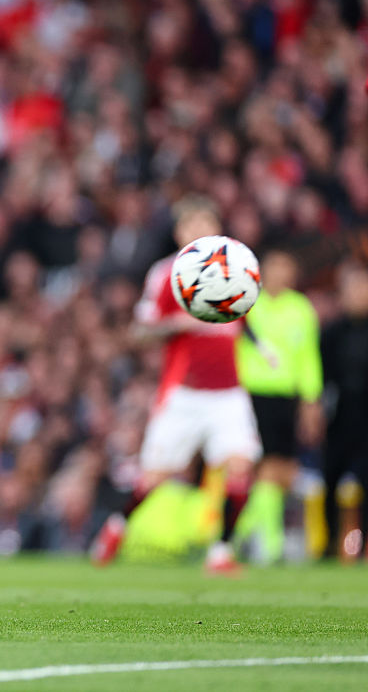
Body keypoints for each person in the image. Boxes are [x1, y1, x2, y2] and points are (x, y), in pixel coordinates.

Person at [90, 195, 262, 572]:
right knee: (154, 477)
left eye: (206, 222)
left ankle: (221, 553)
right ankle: (116, 529)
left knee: (240, 465)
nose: (199, 229)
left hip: (228, 391)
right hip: (184, 391)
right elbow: (140, 331)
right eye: (191, 224)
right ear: (179, 232)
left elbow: (245, 322)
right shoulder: (167, 274)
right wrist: (177, 324)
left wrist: (261, 347)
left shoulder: (236, 268)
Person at [234, 248, 323, 564]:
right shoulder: (245, 304)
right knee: (261, 466)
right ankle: (267, 543)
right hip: (250, 394)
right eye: (275, 266)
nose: (280, 273)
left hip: (285, 397)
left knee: (284, 469)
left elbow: (308, 358)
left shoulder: (301, 309)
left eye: (287, 267)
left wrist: (311, 399)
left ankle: (241, 533)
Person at [320, 260, 368, 558]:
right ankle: (329, 544)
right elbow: (320, 376)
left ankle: (363, 547)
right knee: (331, 479)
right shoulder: (331, 332)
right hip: (339, 416)